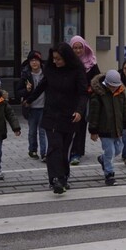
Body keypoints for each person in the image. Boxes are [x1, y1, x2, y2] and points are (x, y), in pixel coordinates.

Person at [25, 42, 88, 194]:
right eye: (53, 58)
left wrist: (80, 111)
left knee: (64, 149)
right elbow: (41, 86)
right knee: (54, 147)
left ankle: (63, 177)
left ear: (67, 58)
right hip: (51, 114)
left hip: (70, 115)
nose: (55, 61)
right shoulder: (50, 70)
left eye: (59, 59)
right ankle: (55, 179)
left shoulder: (77, 71)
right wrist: (29, 99)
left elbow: (83, 93)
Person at [88, 69, 126, 186]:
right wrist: (93, 130)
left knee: (118, 149)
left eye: (115, 86)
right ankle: (109, 174)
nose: (113, 88)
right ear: (106, 84)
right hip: (104, 129)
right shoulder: (98, 95)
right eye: (111, 86)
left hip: (118, 128)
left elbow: (125, 110)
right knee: (110, 151)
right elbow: (94, 114)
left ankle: (103, 159)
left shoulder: (121, 92)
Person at [68, 35, 101, 167]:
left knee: (80, 125)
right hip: (70, 97)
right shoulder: (68, 62)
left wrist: (90, 87)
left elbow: (98, 79)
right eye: (75, 48)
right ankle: (68, 150)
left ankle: (77, 152)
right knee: (69, 124)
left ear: (84, 47)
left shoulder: (91, 62)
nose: (77, 51)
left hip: (85, 98)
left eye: (80, 48)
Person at [18, 50, 47, 161]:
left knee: (43, 131)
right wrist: (27, 90)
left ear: (40, 62)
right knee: (32, 131)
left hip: (44, 106)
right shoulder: (25, 75)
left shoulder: (46, 73)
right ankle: (32, 150)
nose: (34, 63)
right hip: (31, 108)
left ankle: (44, 153)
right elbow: (18, 92)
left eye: (36, 60)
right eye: (32, 61)